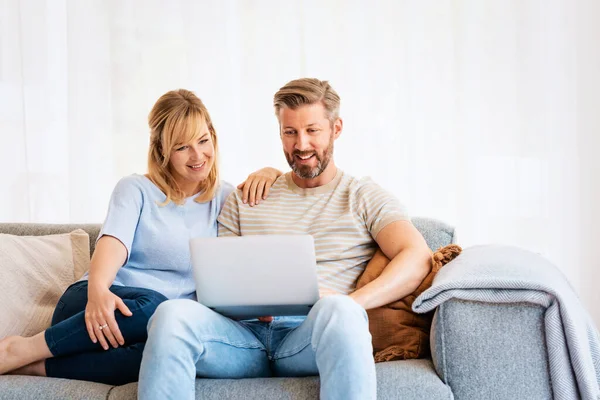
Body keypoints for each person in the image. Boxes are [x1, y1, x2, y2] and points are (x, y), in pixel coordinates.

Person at [138, 78, 432, 399]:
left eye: (313, 130)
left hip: (308, 339)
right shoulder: (247, 196)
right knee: (171, 315)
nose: (301, 144)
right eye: (290, 132)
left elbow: (416, 256)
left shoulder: (362, 195)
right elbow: (219, 279)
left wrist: (351, 302)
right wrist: (243, 301)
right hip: (241, 340)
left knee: (341, 312)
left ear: (336, 129)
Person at [0, 89, 280, 385]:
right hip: (94, 306)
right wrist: (98, 290)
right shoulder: (135, 189)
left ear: (213, 136)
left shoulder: (224, 199)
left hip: (157, 326)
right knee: (158, 307)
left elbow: (240, 259)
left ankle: (35, 367)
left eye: (203, 141)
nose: (198, 155)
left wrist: (271, 172)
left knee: (161, 353)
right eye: (182, 147)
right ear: (162, 150)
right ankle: (22, 348)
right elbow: (112, 244)